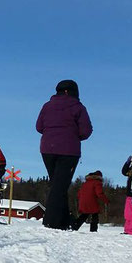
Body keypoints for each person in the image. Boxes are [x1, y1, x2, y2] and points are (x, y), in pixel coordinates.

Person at [36, 80, 93, 229]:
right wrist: (72, 136)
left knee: (58, 185)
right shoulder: (78, 107)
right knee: (59, 187)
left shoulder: (47, 106)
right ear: (71, 91)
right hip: (68, 151)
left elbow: (39, 127)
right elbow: (85, 131)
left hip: (47, 149)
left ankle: (65, 222)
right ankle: (51, 222)